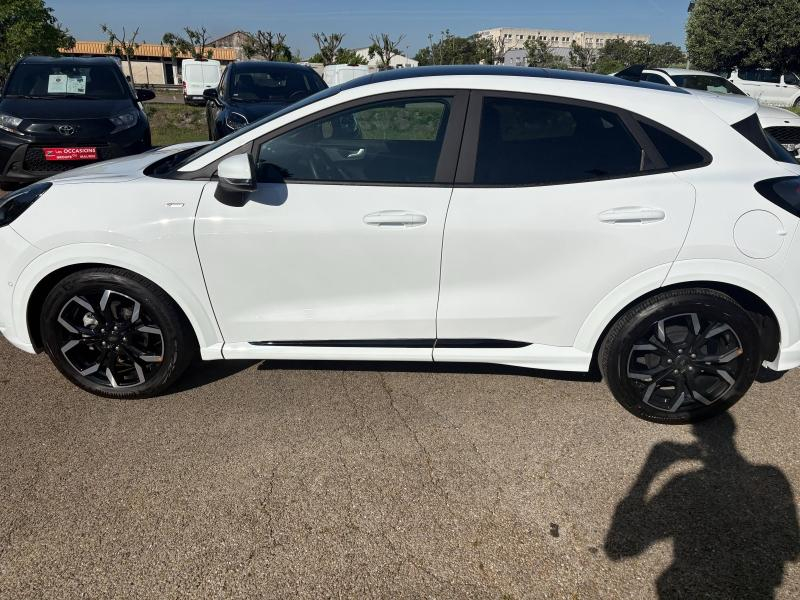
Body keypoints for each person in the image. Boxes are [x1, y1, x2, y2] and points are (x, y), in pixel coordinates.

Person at [605, 413, 800, 598]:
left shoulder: (687, 483)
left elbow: (620, 549)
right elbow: (791, 550)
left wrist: (649, 472)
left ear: (698, 439)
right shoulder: (772, 475)